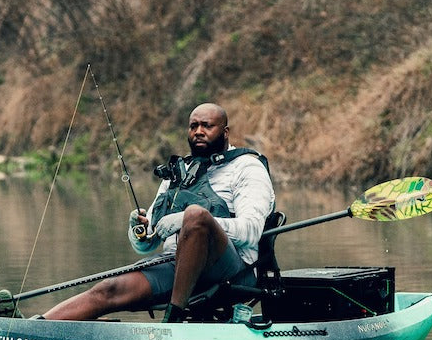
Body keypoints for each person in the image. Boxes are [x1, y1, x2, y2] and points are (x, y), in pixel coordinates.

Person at [42, 102, 275, 323]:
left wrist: (187, 220)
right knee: (109, 289)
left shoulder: (247, 167)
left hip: (232, 272)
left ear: (225, 132)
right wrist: (139, 231)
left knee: (196, 216)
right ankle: (33, 327)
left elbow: (251, 231)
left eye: (207, 126)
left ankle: (172, 320)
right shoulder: (178, 172)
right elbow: (148, 244)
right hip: (175, 265)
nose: (199, 132)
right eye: (194, 126)